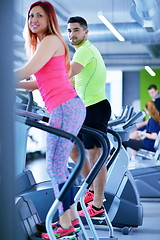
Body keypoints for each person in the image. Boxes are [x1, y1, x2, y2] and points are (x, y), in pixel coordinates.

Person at [14, 1, 86, 239]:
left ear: (49, 19)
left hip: (64, 107)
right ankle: (71, 219)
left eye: (39, 15)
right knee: (59, 167)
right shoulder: (48, 44)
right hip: (67, 106)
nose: (33, 19)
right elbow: (37, 81)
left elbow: (25, 70)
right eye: (30, 15)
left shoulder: (50, 40)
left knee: (55, 167)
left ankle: (65, 224)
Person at [67, 16, 111, 220]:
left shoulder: (85, 50)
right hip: (86, 109)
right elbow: (75, 81)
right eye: (69, 30)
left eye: (76, 30)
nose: (72, 34)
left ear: (86, 32)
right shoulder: (81, 52)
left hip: (95, 108)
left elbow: (68, 73)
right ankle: (92, 190)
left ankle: (98, 206)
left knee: (96, 158)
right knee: (75, 150)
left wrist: (39, 78)